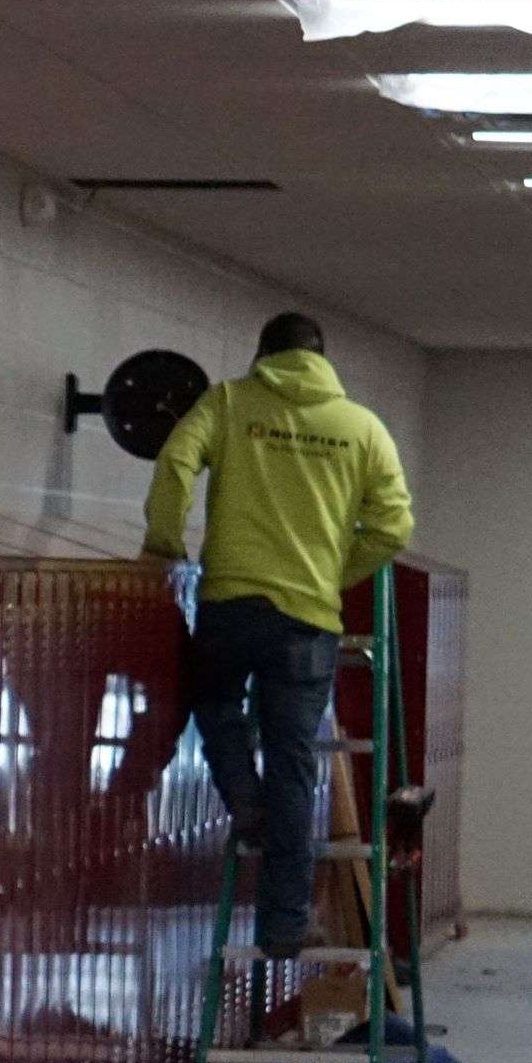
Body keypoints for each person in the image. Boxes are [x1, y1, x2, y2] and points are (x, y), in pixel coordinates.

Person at [141, 311, 416, 959]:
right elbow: (393, 526)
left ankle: (243, 796)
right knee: (295, 762)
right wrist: (331, 572)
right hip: (306, 617)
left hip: (230, 602)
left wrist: (163, 544)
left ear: (263, 353)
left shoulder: (230, 401)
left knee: (213, 703)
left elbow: (177, 463)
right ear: (322, 360)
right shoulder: (361, 427)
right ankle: (285, 925)